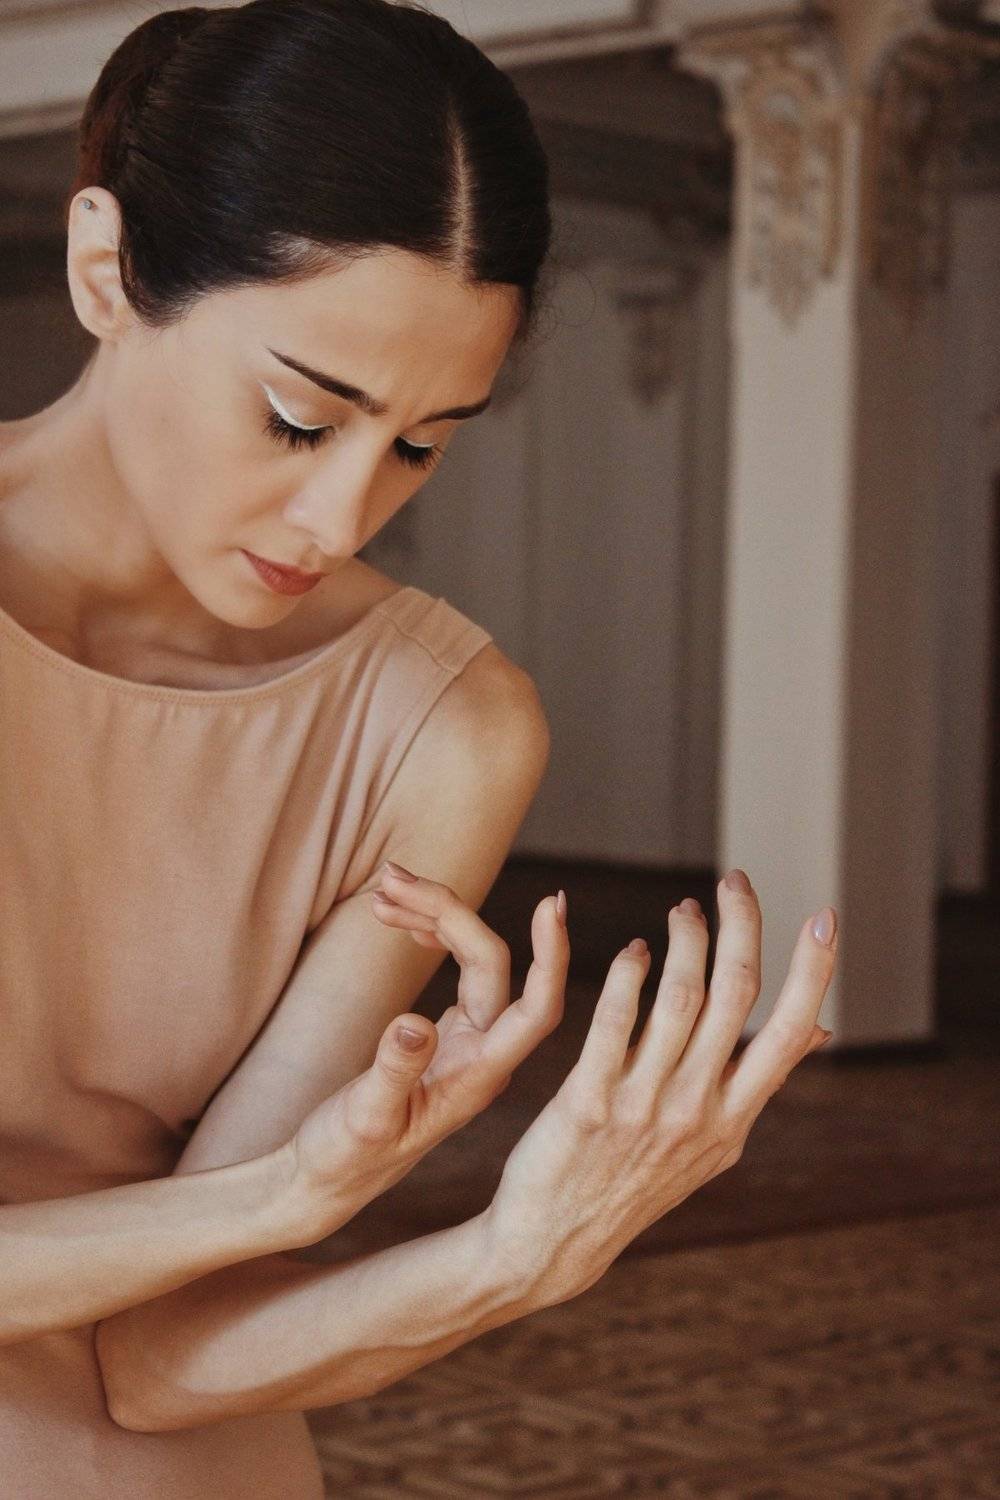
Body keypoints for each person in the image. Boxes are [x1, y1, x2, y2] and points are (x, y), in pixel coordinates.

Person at [0, 1, 838, 1494]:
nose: (342, 520)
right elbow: (245, 1225)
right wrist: (279, 1196)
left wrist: (513, 1253)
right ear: (105, 270)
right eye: (296, 416)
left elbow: (165, 1361)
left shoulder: (450, 727)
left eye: (419, 443)